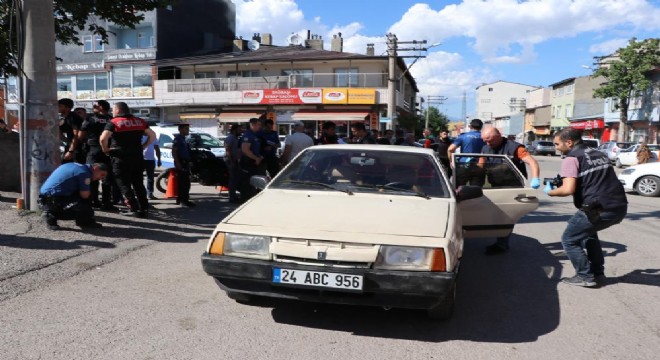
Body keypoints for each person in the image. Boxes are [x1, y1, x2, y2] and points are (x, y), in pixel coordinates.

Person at [546, 128, 628, 287]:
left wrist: (551, 192)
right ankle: (598, 273)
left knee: (569, 239)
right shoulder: (599, 153)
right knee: (589, 235)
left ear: (568, 142)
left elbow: (567, 189)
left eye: (557, 144)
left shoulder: (571, 158)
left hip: (597, 208)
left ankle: (585, 276)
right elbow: (595, 179)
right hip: (619, 206)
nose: (555, 147)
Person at [480, 127, 541, 255]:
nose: (487, 144)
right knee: (495, 214)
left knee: (505, 216)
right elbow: (481, 164)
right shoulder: (485, 148)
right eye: (485, 141)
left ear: (498, 136)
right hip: (494, 185)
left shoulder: (515, 147)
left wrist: (535, 179)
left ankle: (502, 244)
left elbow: (532, 162)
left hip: (512, 186)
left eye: (489, 140)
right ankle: (500, 240)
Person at [100, 102, 156, 218]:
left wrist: (106, 150)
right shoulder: (140, 121)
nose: (112, 112)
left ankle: (134, 208)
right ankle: (144, 207)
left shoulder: (114, 122)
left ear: (118, 110)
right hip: (137, 156)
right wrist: (144, 146)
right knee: (138, 183)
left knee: (124, 184)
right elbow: (153, 135)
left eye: (113, 110)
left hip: (120, 157)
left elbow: (103, 138)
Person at [38, 162, 107, 230]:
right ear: (96, 168)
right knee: (87, 209)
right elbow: (85, 195)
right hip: (53, 199)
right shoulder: (84, 173)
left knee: (83, 197)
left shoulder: (75, 165)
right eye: (102, 175)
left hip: (45, 197)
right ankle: (50, 215)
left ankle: (51, 212)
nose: (101, 178)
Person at [78, 100, 119, 211]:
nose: (93, 107)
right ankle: (106, 202)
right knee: (107, 177)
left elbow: (81, 135)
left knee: (91, 175)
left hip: (93, 150)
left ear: (100, 107)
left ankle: (93, 201)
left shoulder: (90, 119)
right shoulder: (112, 119)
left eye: (95, 106)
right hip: (108, 150)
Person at [448, 119, 486, 186]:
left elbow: (450, 149)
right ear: (481, 127)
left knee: (458, 188)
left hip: (464, 164)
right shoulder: (485, 137)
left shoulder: (463, 136)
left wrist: (451, 161)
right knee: (476, 190)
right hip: (479, 165)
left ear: (470, 126)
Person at [240, 118, 267, 201]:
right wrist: (256, 158)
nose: (260, 126)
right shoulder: (248, 135)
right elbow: (245, 149)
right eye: (258, 125)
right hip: (248, 162)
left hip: (254, 162)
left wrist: (259, 157)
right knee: (248, 182)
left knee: (254, 181)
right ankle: (245, 199)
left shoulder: (256, 135)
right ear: (252, 125)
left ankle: (251, 198)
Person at [172, 123, 195, 207]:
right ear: (181, 129)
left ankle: (181, 199)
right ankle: (184, 201)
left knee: (184, 182)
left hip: (185, 162)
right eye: (186, 129)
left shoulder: (183, 139)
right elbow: (174, 151)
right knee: (184, 183)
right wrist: (178, 163)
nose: (188, 130)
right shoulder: (178, 139)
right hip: (181, 162)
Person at [58, 98, 84, 164]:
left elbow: (76, 135)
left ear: (67, 108)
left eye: (60, 106)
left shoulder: (73, 118)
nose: (58, 107)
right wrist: (67, 141)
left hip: (77, 148)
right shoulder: (62, 117)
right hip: (70, 145)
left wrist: (71, 151)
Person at [224, 124, 242, 203]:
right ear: (234, 130)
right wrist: (232, 161)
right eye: (239, 130)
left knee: (236, 179)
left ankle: (234, 195)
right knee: (233, 179)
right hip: (230, 161)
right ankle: (232, 197)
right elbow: (228, 150)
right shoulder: (230, 138)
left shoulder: (235, 138)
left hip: (235, 161)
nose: (241, 131)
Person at [143, 133, 161, 200]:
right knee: (139, 178)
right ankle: (142, 193)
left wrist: (159, 159)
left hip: (151, 160)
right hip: (141, 160)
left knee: (150, 178)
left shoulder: (153, 137)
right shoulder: (139, 136)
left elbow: (157, 148)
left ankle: (150, 193)